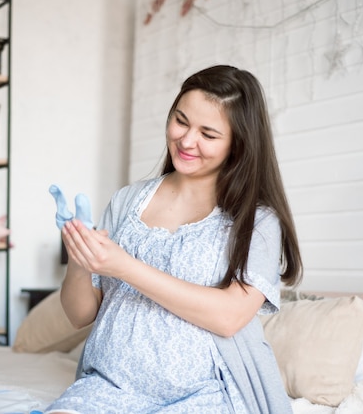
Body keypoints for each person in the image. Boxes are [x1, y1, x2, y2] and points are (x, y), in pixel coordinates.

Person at [46, 65, 302, 414]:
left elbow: (229, 317)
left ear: (237, 145)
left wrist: (125, 267)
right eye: (181, 121)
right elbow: (79, 315)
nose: (186, 140)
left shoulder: (257, 222)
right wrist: (79, 255)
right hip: (109, 387)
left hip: (208, 394)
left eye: (208, 134)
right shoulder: (127, 201)